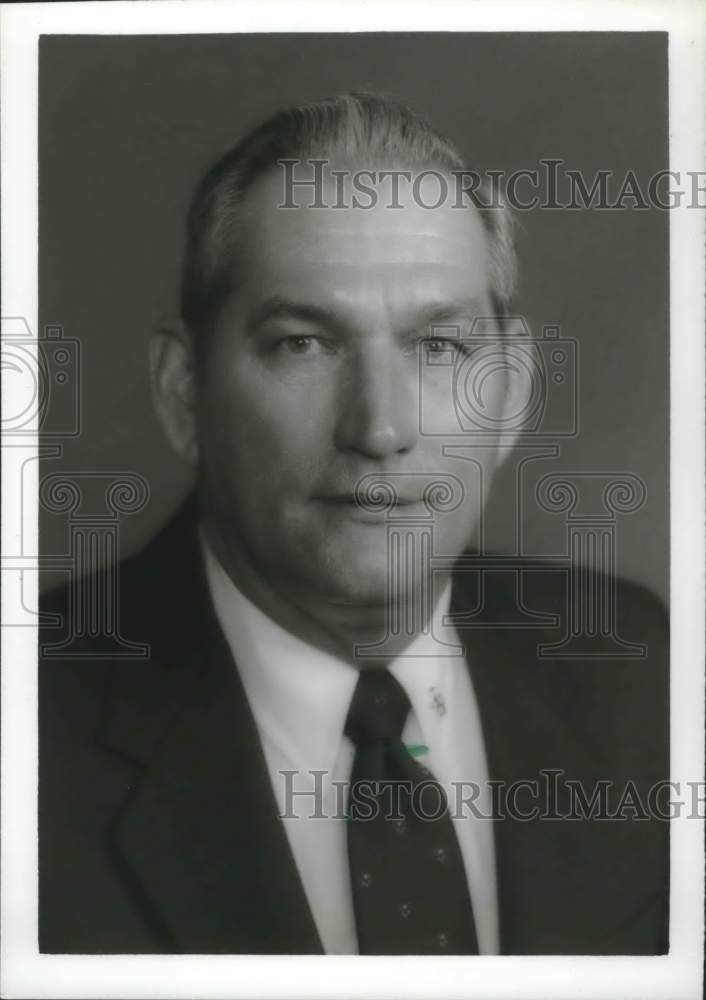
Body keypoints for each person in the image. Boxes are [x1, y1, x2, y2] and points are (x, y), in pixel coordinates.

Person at [39, 92, 668, 955]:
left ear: (513, 392)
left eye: (439, 347)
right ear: (185, 391)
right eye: (305, 342)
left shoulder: (641, 675)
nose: (378, 428)